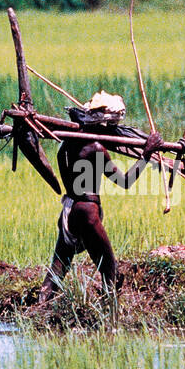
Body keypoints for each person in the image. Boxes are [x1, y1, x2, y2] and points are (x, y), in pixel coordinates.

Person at [38, 92, 161, 302]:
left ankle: (38, 310)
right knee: (109, 268)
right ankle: (109, 314)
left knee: (57, 269)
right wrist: (146, 155)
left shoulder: (65, 145)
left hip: (68, 211)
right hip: (87, 212)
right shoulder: (95, 148)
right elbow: (125, 181)